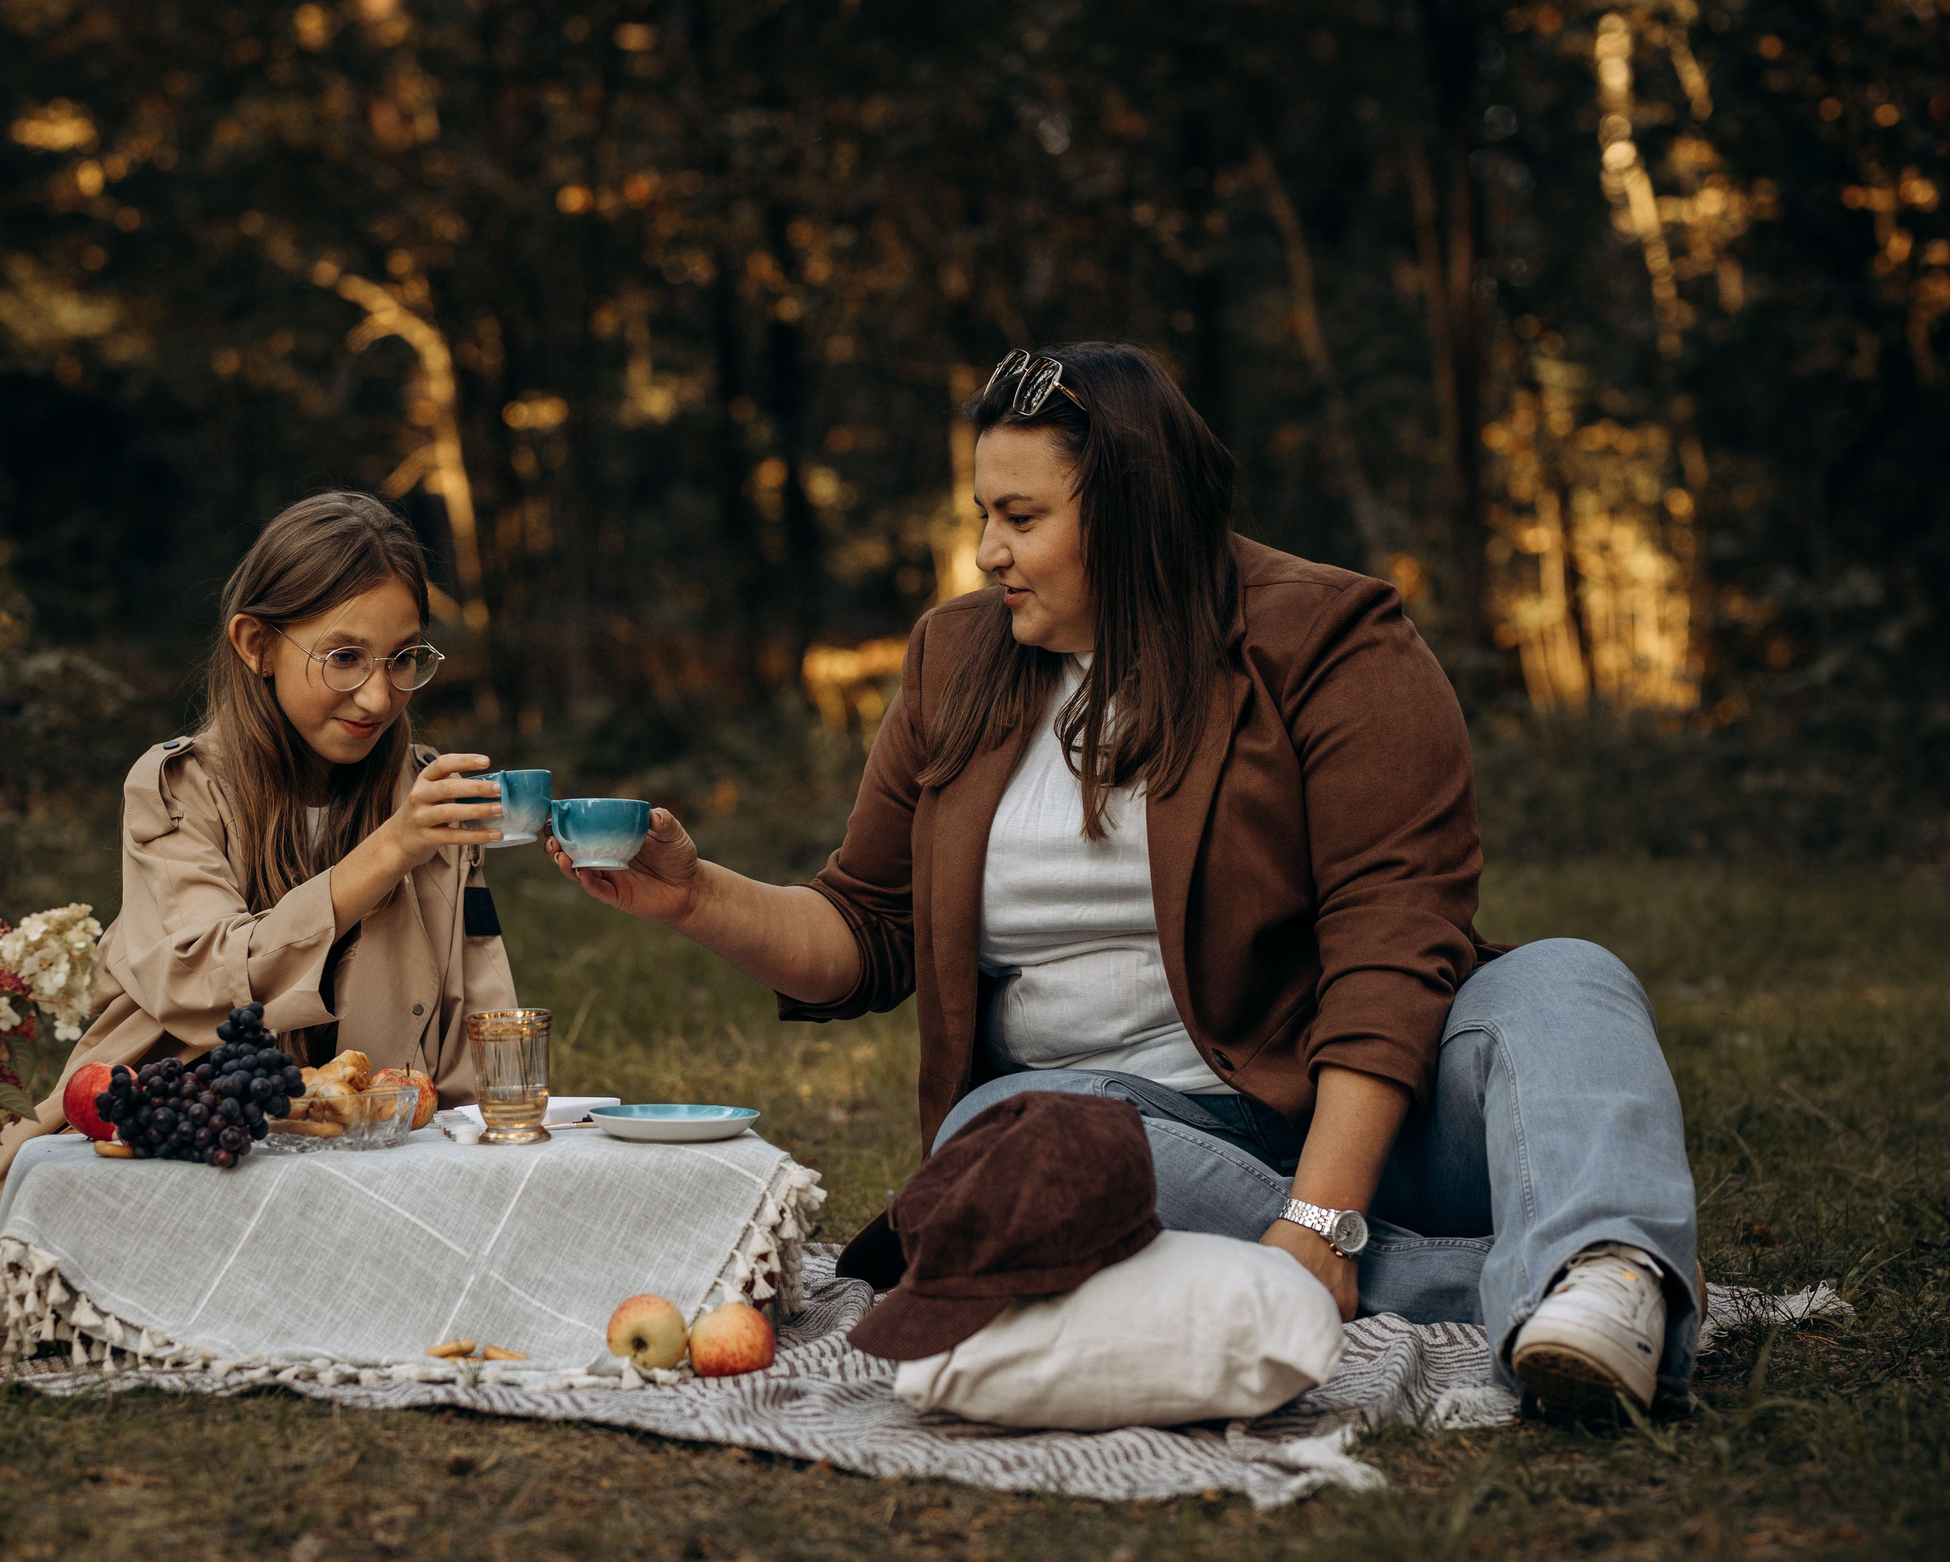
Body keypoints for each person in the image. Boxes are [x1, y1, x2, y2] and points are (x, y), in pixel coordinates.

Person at [549, 344, 1701, 1414]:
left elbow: (1391, 944)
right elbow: (868, 924)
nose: (988, 550)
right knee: (1001, 1131)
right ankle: (1558, 1285)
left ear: (1136, 514)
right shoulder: (956, 660)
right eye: (982, 516)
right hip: (1119, 1145)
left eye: (1021, 516)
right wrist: (695, 895)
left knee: (1565, 981)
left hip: (1374, 1112)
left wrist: (1326, 1203)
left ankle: (1601, 1269)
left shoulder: (1331, 640)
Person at [0, 492, 518, 1326]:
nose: (378, 697)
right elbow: (207, 979)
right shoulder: (178, 790)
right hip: (174, 1134)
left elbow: (482, 1003)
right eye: (344, 656)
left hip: (364, 1149)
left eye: (404, 658)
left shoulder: (428, 796)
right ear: (257, 644)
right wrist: (387, 853)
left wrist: (485, 1135)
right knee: (43, 1278)